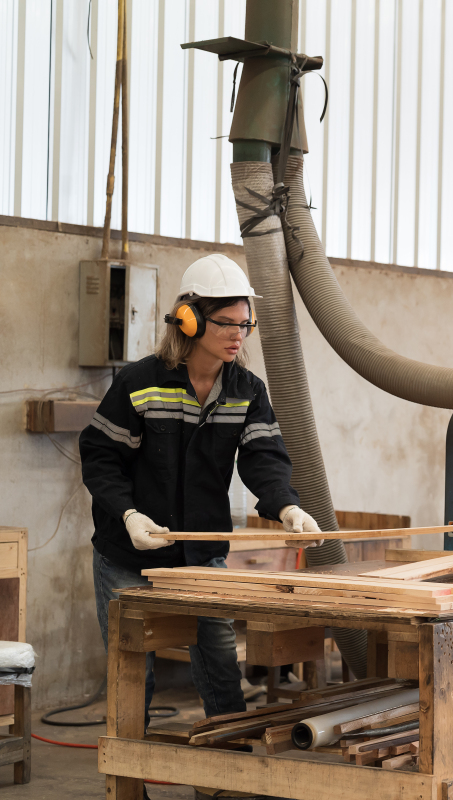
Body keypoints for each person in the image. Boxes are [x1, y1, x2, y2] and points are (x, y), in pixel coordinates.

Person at [80, 254, 322, 726]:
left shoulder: (247, 391)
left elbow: (263, 459)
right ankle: (129, 768)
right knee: (133, 675)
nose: (238, 335)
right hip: (128, 556)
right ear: (189, 320)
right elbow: (101, 459)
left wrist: (288, 507)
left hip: (201, 555)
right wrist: (129, 514)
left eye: (245, 324)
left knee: (221, 667)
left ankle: (228, 761)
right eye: (227, 323)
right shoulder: (139, 384)